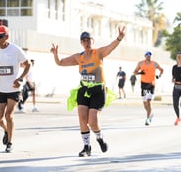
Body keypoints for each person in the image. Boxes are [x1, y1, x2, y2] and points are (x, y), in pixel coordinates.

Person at [50, 26, 125, 157]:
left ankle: (99, 137)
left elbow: (111, 47)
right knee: (82, 118)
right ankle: (86, 147)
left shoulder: (99, 53)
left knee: (93, 121)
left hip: (98, 91)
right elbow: (60, 63)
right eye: (84, 40)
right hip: (84, 90)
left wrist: (119, 38)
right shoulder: (79, 57)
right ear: (81, 43)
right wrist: (55, 55)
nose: (86, 42)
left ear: (93, 41)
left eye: (88, 40)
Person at [0, 25, 31, 152]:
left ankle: (10, 143)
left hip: (14, 88)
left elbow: (28, 64)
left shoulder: (15, 50)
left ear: (7, 36)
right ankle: (6, 130)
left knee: (9, 115)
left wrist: (21, 79)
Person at [134, 51, 164, 126]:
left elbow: (162, 70)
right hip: (143, 84)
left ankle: (148, 119)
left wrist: (159, 76)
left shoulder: (154, 63)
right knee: (144, 103)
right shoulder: (140, 63)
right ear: (145, 56)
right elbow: (134, 72)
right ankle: (150, 113)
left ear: (151, 56)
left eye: (150, 55)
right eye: (147, 55)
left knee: (148, 101)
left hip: (151, 84)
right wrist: (140, 73)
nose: (148, 56)